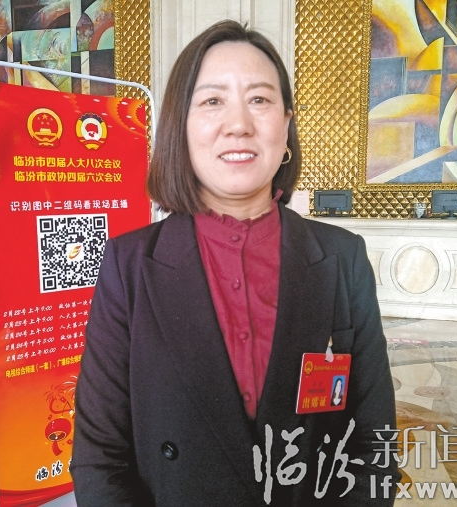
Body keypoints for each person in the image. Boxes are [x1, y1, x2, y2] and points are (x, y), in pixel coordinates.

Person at [71, 20, 399, 506]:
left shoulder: (342, 259)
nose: (239, 124)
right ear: (181, 127)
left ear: (286, 125)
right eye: (212, 101)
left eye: (260, 99)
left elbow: (373, 444)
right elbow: (100, 458)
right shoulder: (129, 266)